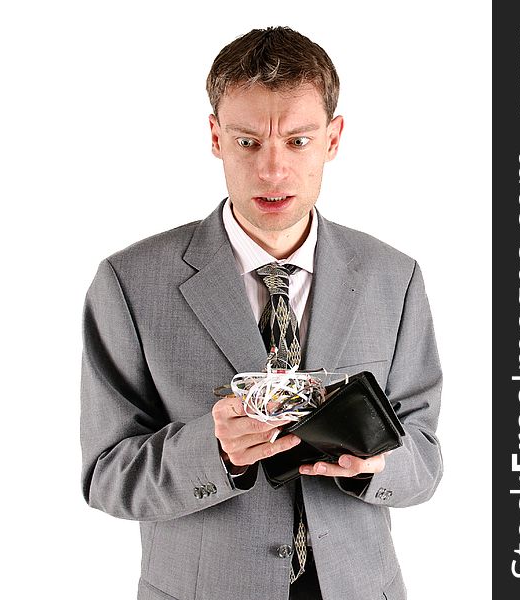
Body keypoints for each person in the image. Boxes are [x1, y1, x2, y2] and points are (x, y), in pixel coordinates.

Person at [80, 26, 442, 600]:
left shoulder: (394, 277)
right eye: (249, 142)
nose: (273, 171)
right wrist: (212, 450)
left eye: (297, 141)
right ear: (216, 137)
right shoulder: (129, 282)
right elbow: (106, 476)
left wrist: (377, 464)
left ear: (333, 137)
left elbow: (424, 457)